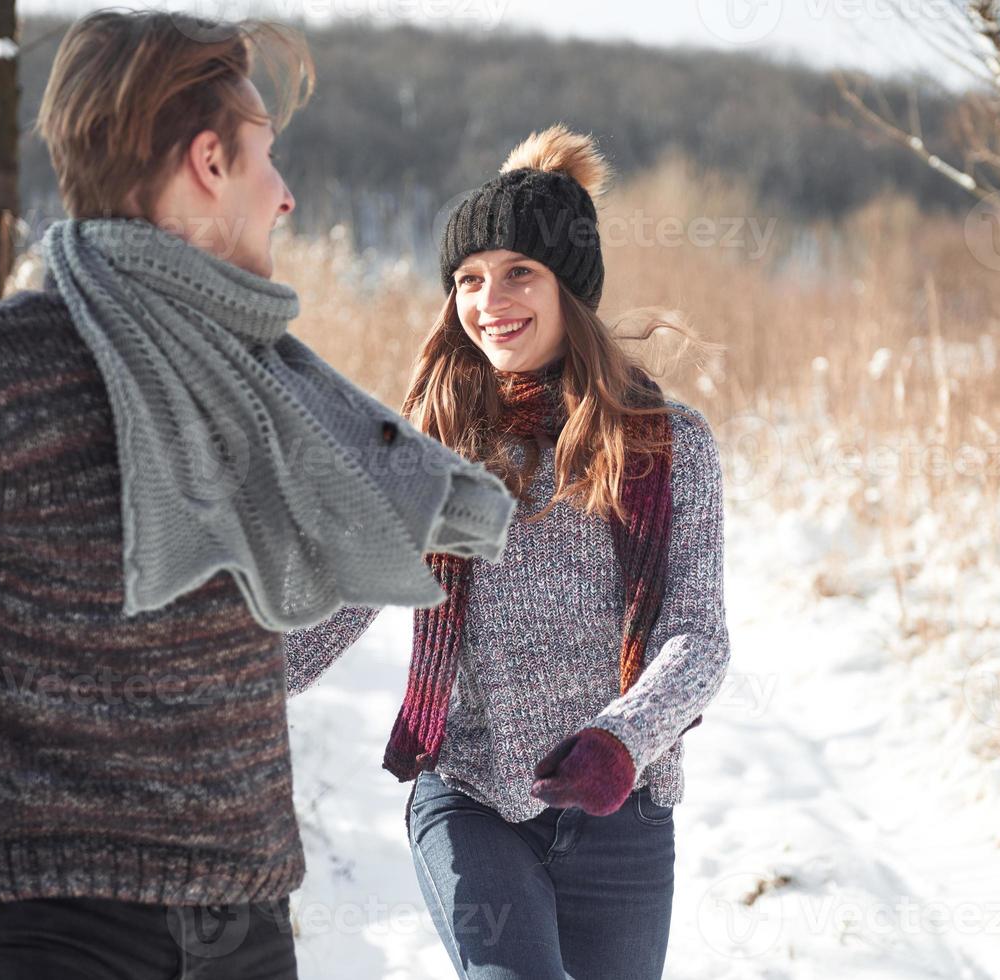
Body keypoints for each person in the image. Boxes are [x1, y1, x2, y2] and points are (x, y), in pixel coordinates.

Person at [0, 11, 513, 979]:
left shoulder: (268, 394)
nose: (287, 195)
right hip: (38, 921)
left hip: (242, 916)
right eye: (269, 156)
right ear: (210, 162)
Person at [283, 124, 731, 980]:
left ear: (571, 285)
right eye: (467, 279)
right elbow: (338, 602)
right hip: (471, 796)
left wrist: (621, 738)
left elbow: (697, 637)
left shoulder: (668, 444)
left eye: (518, 272)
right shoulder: (435, 444)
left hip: (621, 811)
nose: (489, 299)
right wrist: (200, 687)